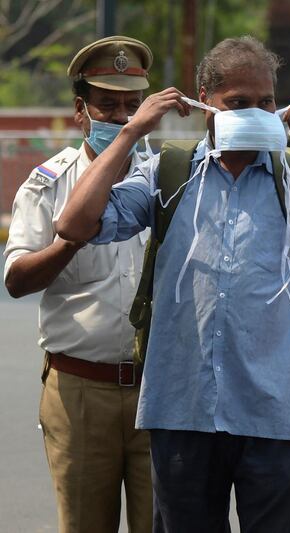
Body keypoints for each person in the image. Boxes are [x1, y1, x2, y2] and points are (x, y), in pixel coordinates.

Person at [55, 36, 290, 532]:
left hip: (271, 414)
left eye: (266, 101)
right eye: (238, 104)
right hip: (182, 412)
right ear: (205, 102)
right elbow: (73, 225)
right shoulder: (168, 173)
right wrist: (131, 132)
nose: (257, 112)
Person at [3, 36, 154, 532]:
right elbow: (17, 279)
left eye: (133, 106)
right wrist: (71, 238)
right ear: (80, 111)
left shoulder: (173, 175)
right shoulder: (49, 184)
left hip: (163, 389)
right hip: (81, 389)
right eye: (107, 105)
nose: (122, 118)